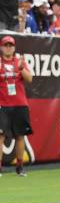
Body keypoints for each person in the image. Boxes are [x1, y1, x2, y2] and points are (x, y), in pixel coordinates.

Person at [0, 36, 33, 176]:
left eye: (11, 45)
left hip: (20, 104)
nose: (8, 47)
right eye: (6, 45)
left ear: (14, 48)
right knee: (0, 136)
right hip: (2, 104)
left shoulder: (19, 61)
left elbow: (29, 79)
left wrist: (21, 69)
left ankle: (19, 167)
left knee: (20, 136)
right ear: (1, 47)